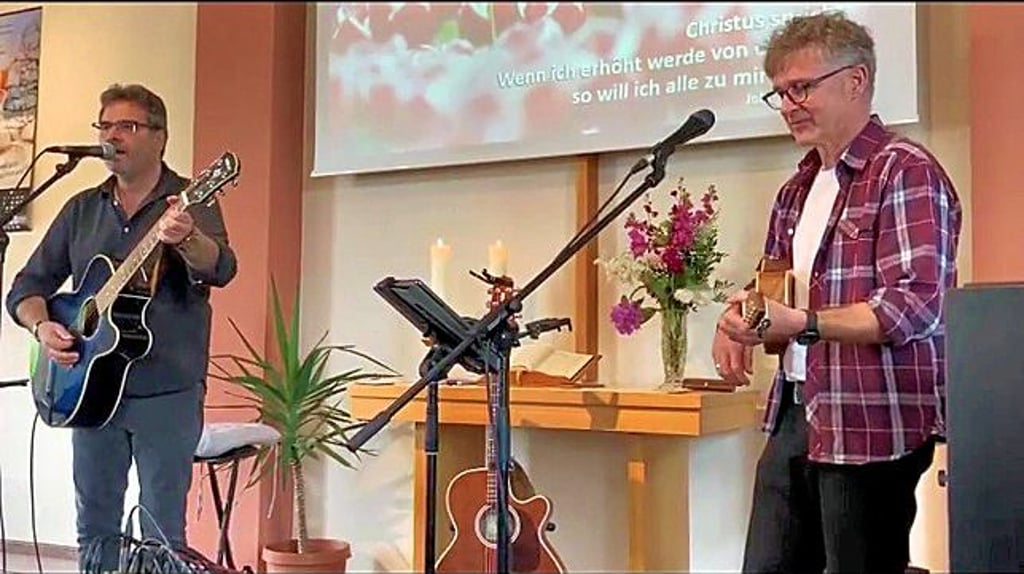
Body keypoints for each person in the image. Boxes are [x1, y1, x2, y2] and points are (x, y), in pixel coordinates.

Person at [710, 11, 961, 574]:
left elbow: (914, 305)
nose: (791, 104)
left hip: (871, 421)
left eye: (802, 87)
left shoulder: (905, 171)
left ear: (856, 81)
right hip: (796, 410)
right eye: (780, 93)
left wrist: (803, 323)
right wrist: (735, 321)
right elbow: (770, 288)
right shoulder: (796, 188)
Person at [5, 83, 238, 571]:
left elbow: (220, 268)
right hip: (89, 393)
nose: (114, 136)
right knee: (95, 524)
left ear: (160, 137)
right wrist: (43, 326)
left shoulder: (189, 201)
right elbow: (27, 287)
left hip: (166, 391)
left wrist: (188, 237)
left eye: (127, 126)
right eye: (106, 126)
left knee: (160, 532)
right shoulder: (82, 209)